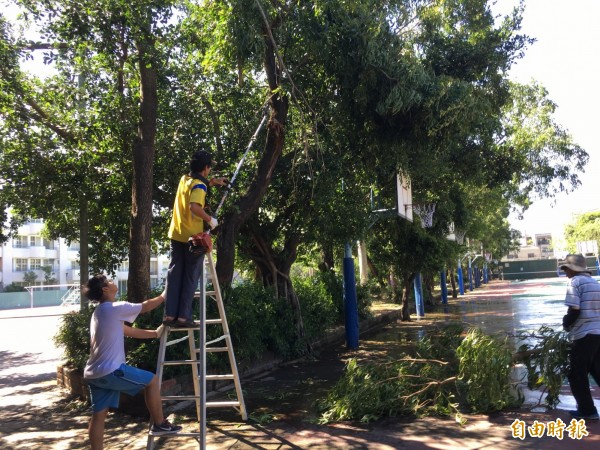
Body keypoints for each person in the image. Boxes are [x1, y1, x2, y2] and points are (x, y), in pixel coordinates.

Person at [83, 274, 181, 450]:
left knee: (98, 415)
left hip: (93, 374)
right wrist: (166, 293)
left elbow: (127, 330)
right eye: (109, 281)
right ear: (105, 289)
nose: (113, 282)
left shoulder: (99, 313)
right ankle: (159, 423)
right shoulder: (114, 308)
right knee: (152, 381)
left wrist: (154, 333)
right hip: (111, 370)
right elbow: (145, 306)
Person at [164, 149, 227, 327]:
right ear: (206, 168)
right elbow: (194, 206)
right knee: (191, 276)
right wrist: (210, 220)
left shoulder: (185, 179)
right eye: (209, 169)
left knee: (175, 274)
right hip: (193, 239)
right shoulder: (200, 186)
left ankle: (169, 316)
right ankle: (184, 318)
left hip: (177, 234)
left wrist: (213, 182)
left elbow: (197, 184)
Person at [560, 253, 600, 420]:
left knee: (576, 374)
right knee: (597, 370)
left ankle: (587, 410)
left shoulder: (575, 282)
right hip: (598, 334)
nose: (565, 273)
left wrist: (566, 324)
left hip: (584, 335)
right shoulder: (595, 283)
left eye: (566, 269)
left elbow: (574, 310)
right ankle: (588, 409)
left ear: (571, 269)